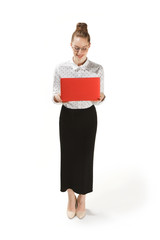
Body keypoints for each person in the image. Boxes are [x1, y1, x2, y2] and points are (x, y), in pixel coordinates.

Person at [52, 22, 106, 219]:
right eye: (76, 47)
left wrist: (100, 97)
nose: (80, 51)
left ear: (89, 46)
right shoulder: (61, 68)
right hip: (67, 116)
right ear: (70, 45)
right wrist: (57, 98)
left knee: (85, 157)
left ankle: (82, 197)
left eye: (84, 48)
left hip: (87, 117)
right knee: (68, 156)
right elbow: (55, 93)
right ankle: (70, 196)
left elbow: (96, 100)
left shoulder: (97, 68)